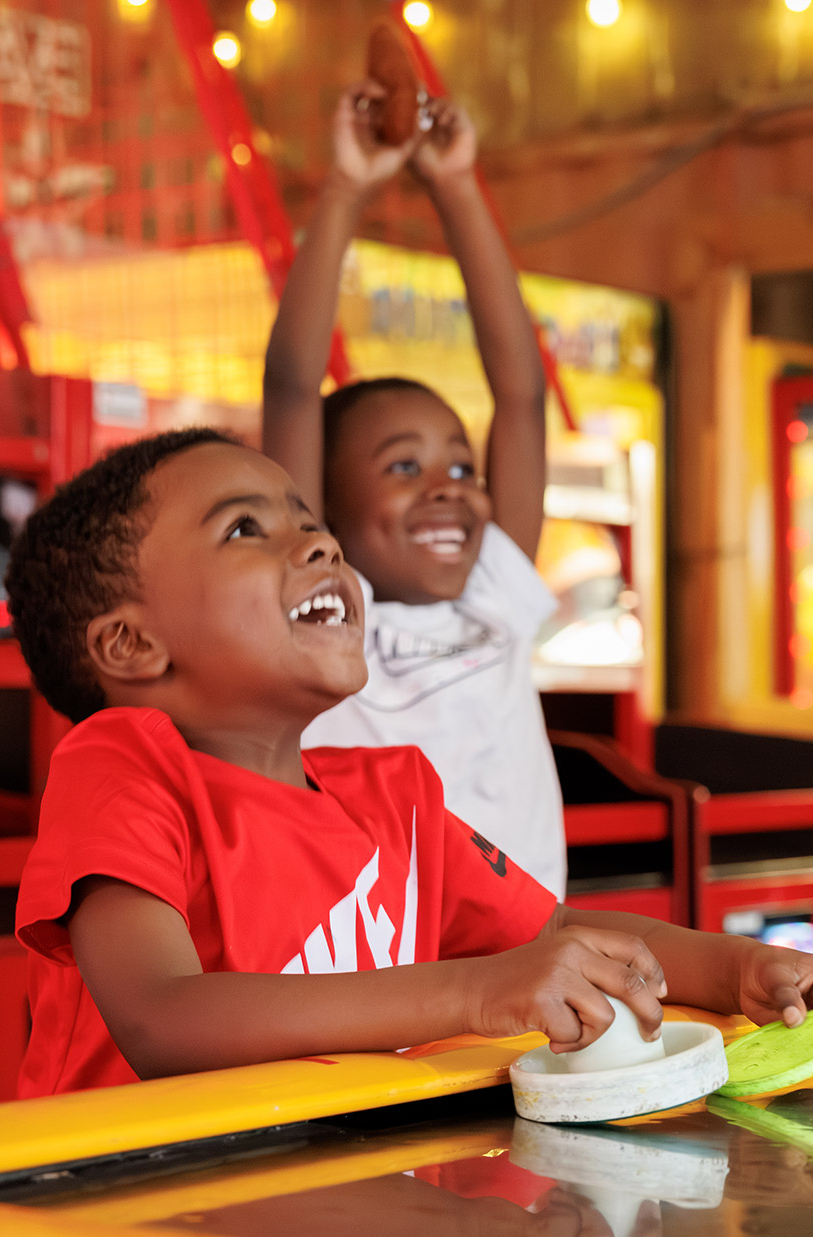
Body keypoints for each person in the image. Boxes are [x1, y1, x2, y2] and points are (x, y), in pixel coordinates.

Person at [2, 427, 813, 1096]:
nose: (318, 544)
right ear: (130, 642)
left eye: (310, 520)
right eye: (245, 528)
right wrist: (478, 992)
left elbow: (551, 934)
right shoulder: (122, 765)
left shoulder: (393, 796)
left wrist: (734, 970)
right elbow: (161, 1017)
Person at [261, 84, 567, 896]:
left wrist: (458, 188)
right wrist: (346, 189)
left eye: (462, 469)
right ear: (319, 507)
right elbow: (292, 388)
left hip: (534, 956)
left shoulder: (494, 593)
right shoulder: (328, 611)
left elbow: (523, 397)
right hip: (400, 978)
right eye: (403, 467)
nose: (448, 490)